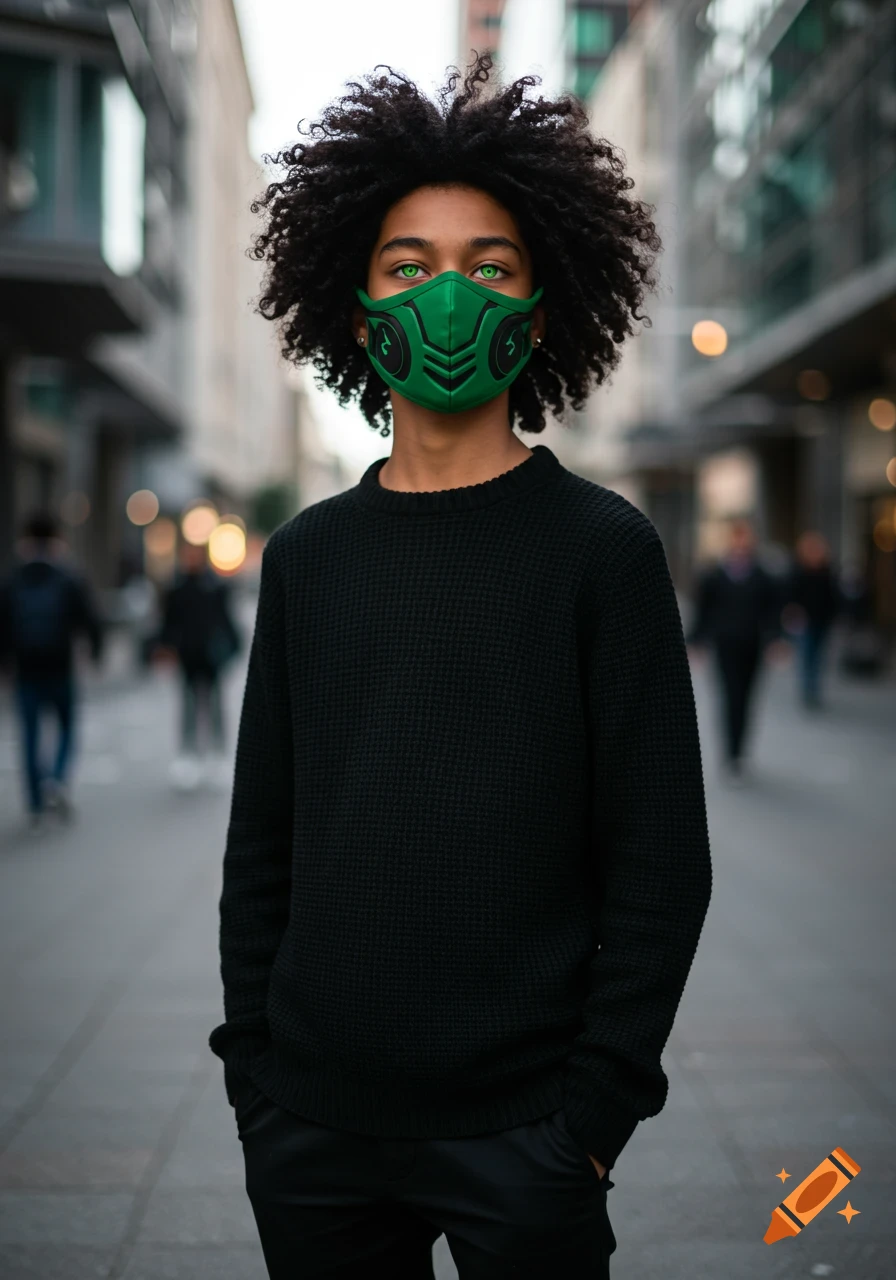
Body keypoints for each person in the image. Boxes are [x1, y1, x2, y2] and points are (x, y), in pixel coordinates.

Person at [209, 55, 713, 1279]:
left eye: (488, 267)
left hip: (526, 1138)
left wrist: (588, 1124)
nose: (449, 298)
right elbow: (261, 843)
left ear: (540, 310)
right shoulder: (305, 557)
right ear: (356, 303)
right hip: (313, 1128)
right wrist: (260, 1081)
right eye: (407, 266)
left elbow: (660, 864)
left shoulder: (604, 549)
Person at [0, 511, 103, 827]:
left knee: (29, 735)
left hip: (25, 668)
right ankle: (56, 777)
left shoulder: (14, 578)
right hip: (60, 666)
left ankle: (35, 800)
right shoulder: (68, 576)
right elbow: (90, 619)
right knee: (66, 727)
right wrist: (95, 654)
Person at [686, 517, 784, 782]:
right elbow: (703, 611)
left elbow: (773, 611)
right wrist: (696, 642)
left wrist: (776, 639)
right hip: (725, 645)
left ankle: (740, 752)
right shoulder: (714, 575)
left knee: (746, 699)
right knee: (730, 697)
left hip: (752, 645)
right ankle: (730, 754)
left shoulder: (763, 575)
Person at [157, 541, 241, 791]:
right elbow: (168, 623)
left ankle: (217, 754)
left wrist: (231, 648)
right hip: (187, 657)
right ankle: (189, 755)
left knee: (214, 705)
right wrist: (165, 647)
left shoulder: (216, 587)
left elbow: (226, 620)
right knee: (189, 707)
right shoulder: (176, 588)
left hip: (212, 658)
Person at [781, 531, 841, 709]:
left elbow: (833, 596)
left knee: (818, 657)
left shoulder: (827, 571)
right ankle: (808, 690)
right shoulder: (798, 570)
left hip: (822, 620)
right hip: (804, 621)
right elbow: (790, 595)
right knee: (807, 656)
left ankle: (814, 689)